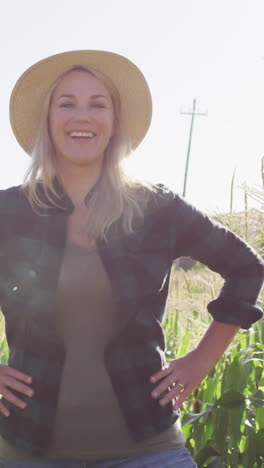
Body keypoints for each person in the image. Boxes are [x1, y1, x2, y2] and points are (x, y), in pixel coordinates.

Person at [0, 50, 263, 468]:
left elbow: (246, 266)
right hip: (27, 450)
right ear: (48, 121)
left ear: (115, 122)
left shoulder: (156, 207)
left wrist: (202, 359)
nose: (81, 115)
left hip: (149, 449)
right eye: (66, 103)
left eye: (97, 104)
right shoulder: (10, 211)